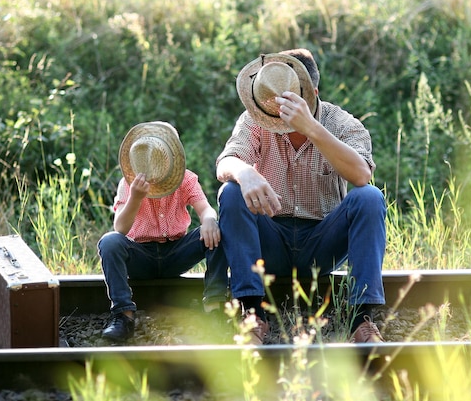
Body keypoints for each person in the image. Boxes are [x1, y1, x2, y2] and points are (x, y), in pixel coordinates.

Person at [215, 48, 386, 345]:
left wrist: (311, 128)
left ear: (312, 93)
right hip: (270, 241)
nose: (278, 109)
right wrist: (245, 173)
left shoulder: (342, 123)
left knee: (369, 197)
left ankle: (361, 319)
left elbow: (362, 175)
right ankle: (253, 315)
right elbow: (226, 161)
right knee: (231, 191)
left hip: (322, 242)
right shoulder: (255, 120)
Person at [98, 121, 228, 342]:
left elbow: (205, 209)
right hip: (142, 255)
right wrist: (136, 198)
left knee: (218, 231)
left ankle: (214, 308)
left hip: (176, 253)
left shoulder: (185, 178)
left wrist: (209, 220)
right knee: (109, 242)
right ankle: (123, 315)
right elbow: (120, 228)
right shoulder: (129, 183)